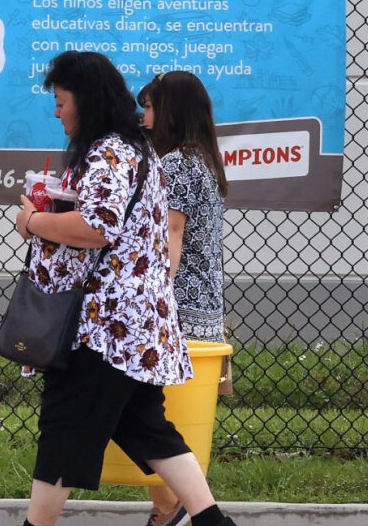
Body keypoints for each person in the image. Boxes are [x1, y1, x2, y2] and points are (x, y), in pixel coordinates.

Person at [14, 51, 236, 526]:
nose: (56, 111)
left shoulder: (111, 150)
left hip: (104, 328)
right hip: (132, 326)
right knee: (147, 430)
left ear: (85, 100)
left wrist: (35, 221)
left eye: (60, 100)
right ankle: (214, 521)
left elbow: (97, 227)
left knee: (63, 429)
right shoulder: (133, 149)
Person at [137, 71, 229, 526]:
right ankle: (171, 508)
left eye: (151, 107)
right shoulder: (205, 160)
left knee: (153, 416)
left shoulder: (174, 164)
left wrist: (148, 296)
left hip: (177, 312)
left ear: (170, 111)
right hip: (206, 311)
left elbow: (169, 238)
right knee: (167, 418)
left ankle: (171, 509)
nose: (144, 115)